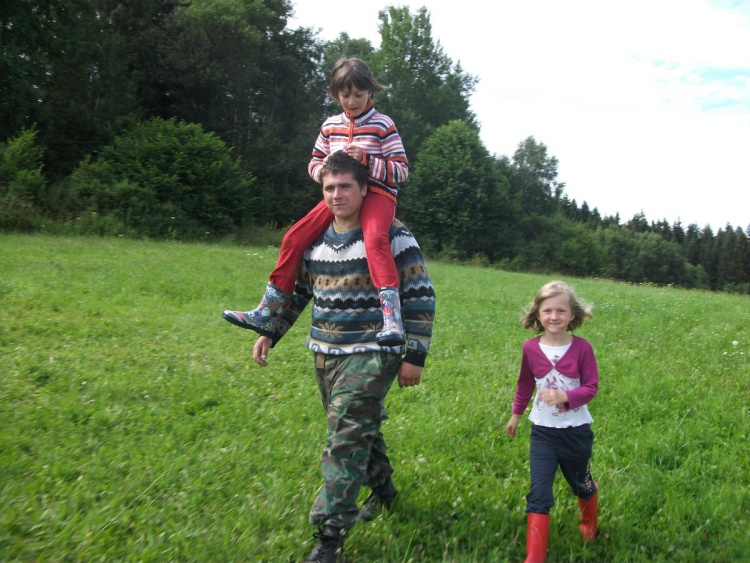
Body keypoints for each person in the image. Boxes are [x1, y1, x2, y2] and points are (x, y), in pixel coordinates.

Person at [249, 152, 435, 563]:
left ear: (365, 188)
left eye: (345, 186)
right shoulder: (315, 237)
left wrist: (415, 355)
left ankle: (329, 537)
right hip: (325, 355)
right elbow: (301, 291)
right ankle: (384, 490)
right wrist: (270, 332)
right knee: (357, 429)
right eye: (329, 188)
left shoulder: (392, 234)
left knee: (344, 440)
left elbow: (420, 296)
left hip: (373, 354)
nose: (337, 195)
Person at [223, 57, 410, 346]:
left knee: (374, 238)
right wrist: (325, 173)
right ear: (335, 94)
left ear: (370, 92)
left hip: (377, 195)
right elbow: (314, 163)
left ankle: (391, 320)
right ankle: (267, 311)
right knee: (293, 237)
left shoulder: (383, 124)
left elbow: (402, 170)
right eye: (345, 95)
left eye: (358, 94)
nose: (352, 101)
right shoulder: (330, 126)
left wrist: (368, 160)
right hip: (338, 198)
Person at [505, 281, 599, 563]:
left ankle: (589, 524)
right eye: (547, 311)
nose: (554, 316)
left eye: (561, 311)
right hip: (543, 432)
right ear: (538, 314)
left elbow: (591, 388)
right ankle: (534, 557)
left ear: (572, 315)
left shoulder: (582, 348)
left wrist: (565, 396)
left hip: (576, 433)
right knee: (539, 492)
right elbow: (524, 384)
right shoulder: (530, 348)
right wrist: (515, 415)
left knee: (581, 484)